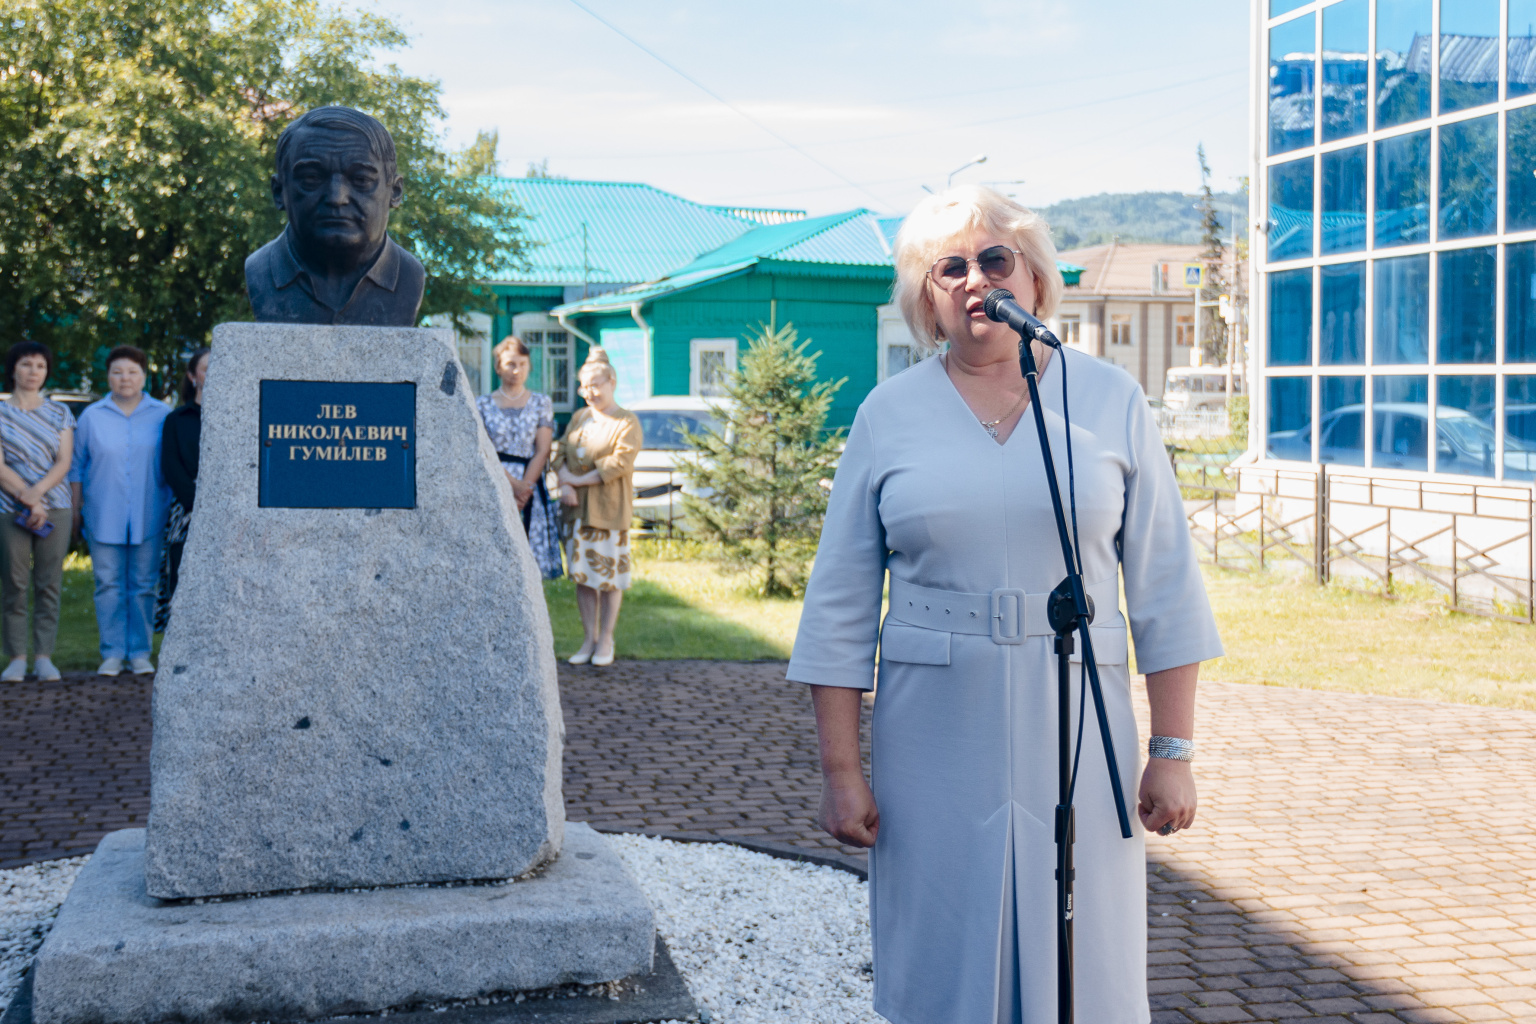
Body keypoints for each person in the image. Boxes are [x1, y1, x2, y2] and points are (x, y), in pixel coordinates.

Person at [786, 184, 1224, 1024]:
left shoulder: (1109, 401)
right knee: (943, 953)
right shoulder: (888, 414)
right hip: (934, 726)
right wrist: (843, 774)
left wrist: (1173, 749)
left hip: (1079, 723)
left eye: (995, 258)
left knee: (1085, 962)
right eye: (949, 266)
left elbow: (1165, 584)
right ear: (925, 297)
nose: (975, 278)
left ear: (1034, 279)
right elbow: (838, 605)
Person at [70, 346, 172, 677]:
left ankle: (140, 652)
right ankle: (112, 653)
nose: (124, 378)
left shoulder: (162, 414)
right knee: (108, 585)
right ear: (108, 376)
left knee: (143, 584)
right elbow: (76, 467)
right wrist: (75, 511)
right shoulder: (91, 417)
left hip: (150, 513)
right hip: (103, 515)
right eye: (117, 372)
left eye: (132, 372)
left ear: (144, 376)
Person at [551, 348, 641, 667]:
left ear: (611, 382)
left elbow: (617, 464)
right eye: (584, 386)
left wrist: (575, 482)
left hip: (608, 512)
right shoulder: (579, 417)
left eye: (595, 384)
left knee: (610, 578)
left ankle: (607, 638)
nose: (589, 392)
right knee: (584, 577)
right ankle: (588, 638)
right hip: (577, 513)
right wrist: (564, 481)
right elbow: (559, 452)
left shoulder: (626, 421)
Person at [0, 342, 75, 682]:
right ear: (13, 369)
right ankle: (16, 657)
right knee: (14, 583)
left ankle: (44, 656)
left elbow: (64, 462)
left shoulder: (60, 413)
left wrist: (40, 495)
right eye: (26, 364)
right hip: (8, 507)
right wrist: (29, 500)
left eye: (40, 366)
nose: (33, 372)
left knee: (49, 583)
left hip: (55, 507)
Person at [475, 336, 562, 579]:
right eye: (511, 364)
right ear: (498, 367)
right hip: (495, 478)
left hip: (530, 479)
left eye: (522, 364)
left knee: (528, 563)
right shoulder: (482, 404)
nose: (517, 370)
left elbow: (543, 449)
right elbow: (484, 450)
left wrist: (525, 488)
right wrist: (512, 485)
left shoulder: (540, 402)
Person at [155, 347, 209, 632]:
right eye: (206, 368)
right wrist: (199, 507)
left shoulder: (245, 416)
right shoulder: (177, 420)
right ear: (191, 376)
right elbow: (171, 466)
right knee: (181, 582)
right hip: (187, 514)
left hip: (227, 516)